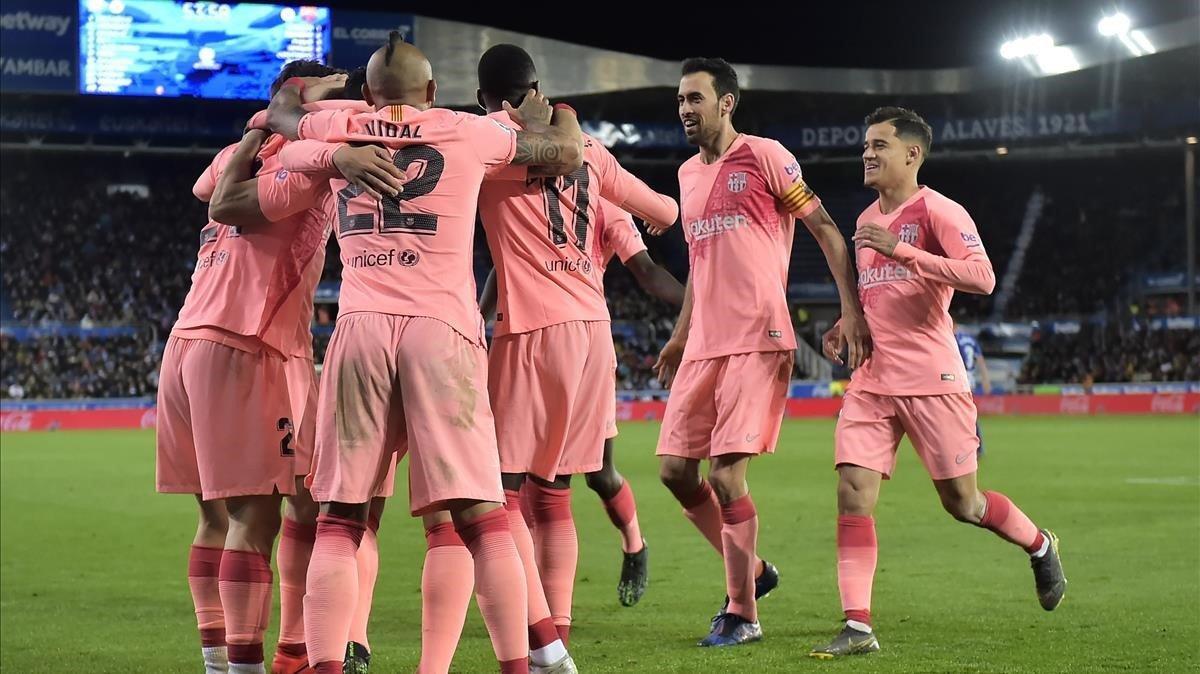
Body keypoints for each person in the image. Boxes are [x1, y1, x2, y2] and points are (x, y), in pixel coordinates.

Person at [264, 33, 584, 674]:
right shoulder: (466, 130)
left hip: (360, 327)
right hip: (442, 328)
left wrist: (335, 152)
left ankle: (325, 665)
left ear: (369, 91)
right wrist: (562, 112)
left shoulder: (343, 126)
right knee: (481, 515)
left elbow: (280, 110)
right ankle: (519, 666)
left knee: (340, 518)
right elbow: (565, 153)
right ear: (433, 91)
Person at [809, 106, 1066, 659]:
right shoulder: (862, 222)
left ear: (912, 154)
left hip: (933, 378)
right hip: (873, 380)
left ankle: (1041, 544)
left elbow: (983, 277)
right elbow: (877, 295)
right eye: (864, 146)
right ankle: (857, 626)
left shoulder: (940, 211)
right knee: (853, 491)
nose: (868, 154)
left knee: (963, 503)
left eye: (879, 145)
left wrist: (904, 249)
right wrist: (845, 320)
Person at [470, 41, 677, 662]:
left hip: (532, 331)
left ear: (490, 99)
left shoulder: (489, 137)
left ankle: (540, 642)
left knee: (501, 494)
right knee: (555, 489)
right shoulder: (591, 151)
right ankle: (553, 631)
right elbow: (665, 210)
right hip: (591, 336)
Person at [654, 56, 870, 648]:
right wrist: (679, 332)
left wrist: (849, 309)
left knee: (726, 476)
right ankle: (752, 571)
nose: (684, 110)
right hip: (703, 343)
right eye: (680, 100)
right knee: (675, 472)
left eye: (695, 99)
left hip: (757, 336)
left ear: (726, 103)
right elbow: (700, 261)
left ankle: (742, 612)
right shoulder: (685, 175)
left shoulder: (766, 155)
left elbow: (825, 227)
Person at [156, 69, 366, 674]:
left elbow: (207, 187)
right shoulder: (300, 164)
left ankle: (241, 657)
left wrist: (261, 127)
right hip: (249, 344)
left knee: (250, 509)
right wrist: (300, 124)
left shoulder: (235, 153)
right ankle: (260, 663)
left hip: (188, 340)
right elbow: (225, 199)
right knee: (260, 516)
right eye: (331, 96)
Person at [954, 320, 992, 458]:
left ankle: (969, 447)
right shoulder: (970, 340)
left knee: (958, 414)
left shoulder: (953, 339)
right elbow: (980, 359)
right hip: (970, 380)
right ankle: (975, 446)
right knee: (966, 413)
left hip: (958, 379)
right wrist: (986, 379)